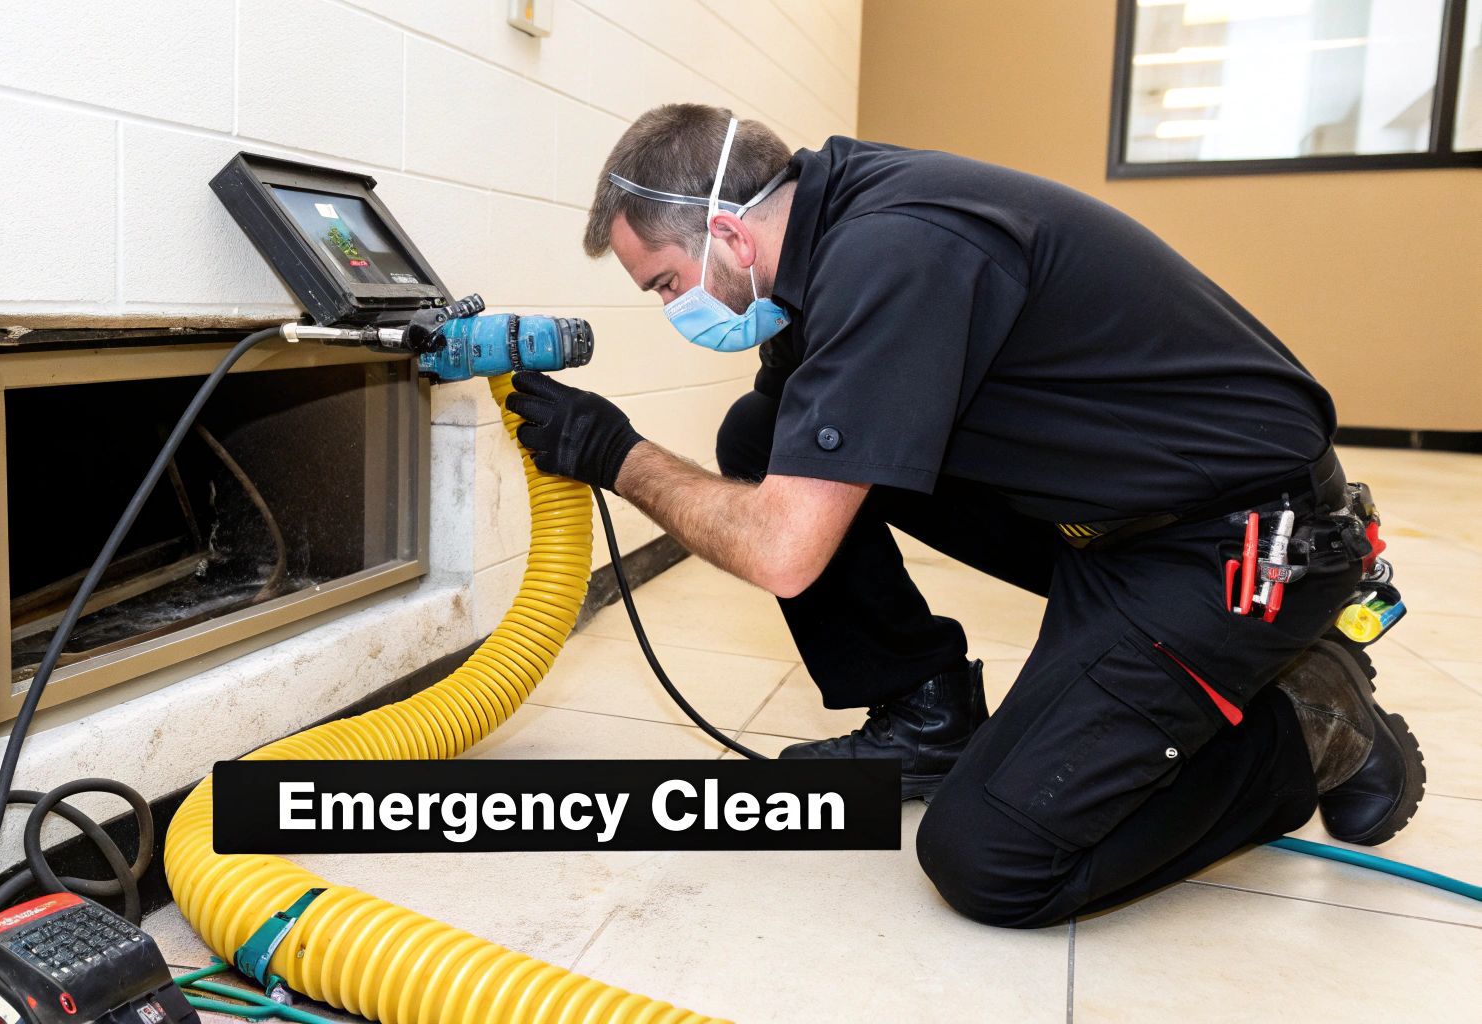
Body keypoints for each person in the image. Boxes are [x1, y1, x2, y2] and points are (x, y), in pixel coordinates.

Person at [502, 103, 1425, 927]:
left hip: (1235, 548)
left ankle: (1311, 716)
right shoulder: (832, 217)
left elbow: (784, 551)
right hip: (1117, 511)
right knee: (764, 431)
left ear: (731, 240)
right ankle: (926, 713)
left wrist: (618, 457)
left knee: (992, 862)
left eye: (665, 282)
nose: (674, 308)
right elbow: (796, 443)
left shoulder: (892, 251)